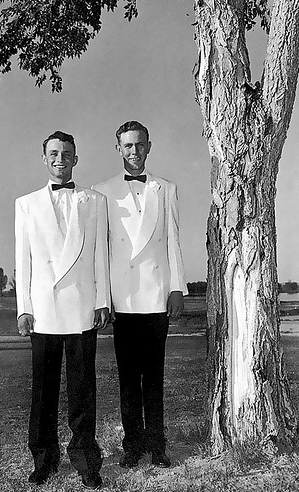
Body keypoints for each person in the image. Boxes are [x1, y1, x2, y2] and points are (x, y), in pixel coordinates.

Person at [15, 131, 110, 489]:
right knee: (43, 392)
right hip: (43, 312)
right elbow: (21, 262)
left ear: (75, 159)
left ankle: (86, 460)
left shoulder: (94, 201)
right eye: (53, 153)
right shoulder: (25, 204)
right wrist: (24, 307)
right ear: (44, 159)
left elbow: (100, 254)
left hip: (82, 308)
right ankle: (44, 459)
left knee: (83, 391)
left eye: (66, 154)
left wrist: (103, 300)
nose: (60, 159)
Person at [93, 120, 188, 469]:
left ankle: (157, 443)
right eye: (127, 146)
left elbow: (172, 241)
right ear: (118, 148)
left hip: (155, 295)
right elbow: (100, 251)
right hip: (123, 299)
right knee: (127, 378)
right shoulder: (101, 191)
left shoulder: (166, 188)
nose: (134, 152)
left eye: (140, 145)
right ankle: (132, 443)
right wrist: (103, 298)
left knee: (155, 376)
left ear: (149, 146)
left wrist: (177, 288)